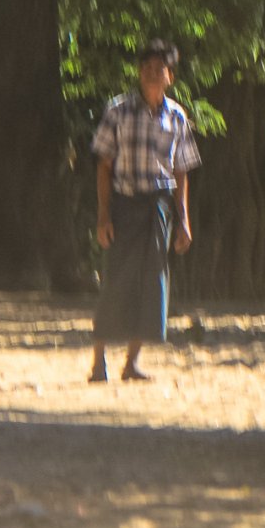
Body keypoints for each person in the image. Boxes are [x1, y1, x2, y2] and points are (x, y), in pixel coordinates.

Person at [88, 39, 200, 383]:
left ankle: (132, 363)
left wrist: (183, 220)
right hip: (124, 205)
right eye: (147, 68)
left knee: (152, 283)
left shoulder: (177, 116)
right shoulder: (118, 111)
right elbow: (104, 166)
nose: (152, 73)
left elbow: (181, 171)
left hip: (159, 208)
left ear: (170, 76)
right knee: (116, 280)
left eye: (159, 69)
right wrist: (104, 215)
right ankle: (98, 362)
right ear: (139, 73)